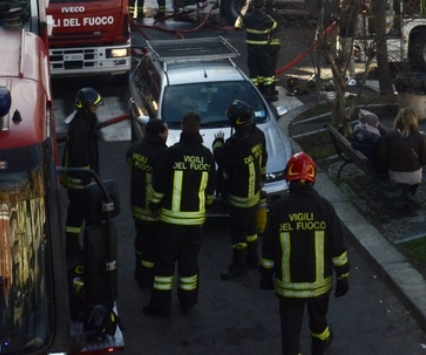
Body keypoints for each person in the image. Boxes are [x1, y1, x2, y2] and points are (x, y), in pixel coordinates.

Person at [261, 152, 350, 355]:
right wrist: (343, 275)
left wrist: (265, 274)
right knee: (319, 324)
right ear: (312, 177)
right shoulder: (324, 207)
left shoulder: (279, 209)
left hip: (289, 288)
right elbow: (337, 245)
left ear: (288, 178)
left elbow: (269, 248)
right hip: (319, 286)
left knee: (290, 333)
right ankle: (320, 345)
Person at [144, 111, 215, 317]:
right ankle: (187, 303)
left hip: (171, 221)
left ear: (183, 128)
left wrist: (154, 205)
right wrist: (206, 210)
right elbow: (211, 190)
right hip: (195, 222)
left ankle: (160, 306)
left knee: (165, 264)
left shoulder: (173, 153)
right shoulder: (206, 155)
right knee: (189, 263)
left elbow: (159, 184)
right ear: (199, 129)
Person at [212, 100, 267, 280]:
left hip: (240, 196)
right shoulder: (258, 135)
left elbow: (220, 157)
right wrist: (262, 179)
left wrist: (218, 142)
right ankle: (253, 258)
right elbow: (263, 160)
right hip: (254, 193)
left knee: (238, 233)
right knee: (250, 229)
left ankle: (238, 265)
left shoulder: (237, 144)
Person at [126, 118, 169, 289]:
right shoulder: (162, 154)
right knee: (152, 247)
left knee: (141, 240)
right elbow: (162, 183)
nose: (167, 134)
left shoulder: (134, 149)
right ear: (159, 134)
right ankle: (147, 278)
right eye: (165, 131)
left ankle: (139, 271)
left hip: (136, 204)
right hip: (152, 208)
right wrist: (156, 205)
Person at [61, 87, 103, 256]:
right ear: (85, 107)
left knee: (75, 215)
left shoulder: (82, 123)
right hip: (80, 183)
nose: (96, 109)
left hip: (77, 181)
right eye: (94, 107)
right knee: (89, 215)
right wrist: (89, 181)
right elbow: (81, 158)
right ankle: (83, 250)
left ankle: (73, 247)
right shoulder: (80, 128)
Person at [377, 108, 426, 196]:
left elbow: (382, 157)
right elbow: (425, 160)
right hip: (413, 176)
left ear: (398, 119)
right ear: (414, 120)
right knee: (415, 178)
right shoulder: (419, 137)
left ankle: (404, 196)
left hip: (395, 173)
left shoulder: (389, 135)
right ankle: (410, 196)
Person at [237, 0, 280, 99]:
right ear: (262, 6)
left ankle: (254, 93)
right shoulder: (266, 18)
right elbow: (275, 27)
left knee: (253, 71)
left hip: (251, 49)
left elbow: (240, 25)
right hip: (263, 49)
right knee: (267, 70)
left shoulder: (246, 18)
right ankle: (269, 93)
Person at [349, 108, 387, 176]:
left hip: (368, 163)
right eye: (376, 121)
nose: (379, 122)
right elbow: (386, 137)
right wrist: (379, 128)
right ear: (371, 125)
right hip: (378, 167)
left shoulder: (360, 134)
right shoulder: (375, 139)